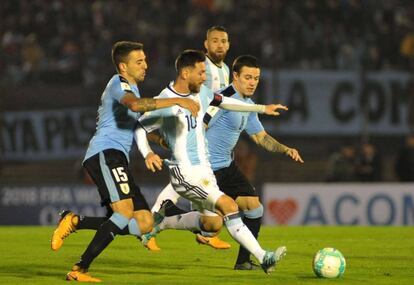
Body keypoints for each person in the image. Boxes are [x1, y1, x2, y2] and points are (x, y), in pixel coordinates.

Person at [50, 41, 200, 282]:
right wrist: (177, 100)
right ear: (123, 66)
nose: (145, 65)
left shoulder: (132, 88)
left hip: (118, 157)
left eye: (145, 60)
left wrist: (159, 143)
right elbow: (136, 106)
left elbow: (135, 124)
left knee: (144, 222)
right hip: (105, 153)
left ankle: (75, 221)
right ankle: (80, 269)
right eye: (138, 61)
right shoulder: (118, 83)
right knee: (123, 214)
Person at [142, 55, 304, 271]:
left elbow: (260, 137)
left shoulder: (245, 104)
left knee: (253, 208)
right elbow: (200, 124)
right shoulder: (222, 99)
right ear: (235, 76)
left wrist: (286, 149)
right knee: (213, 224)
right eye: (248, 77)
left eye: (256, 78)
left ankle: (244, 262)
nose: (252, 82)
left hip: (226, 167)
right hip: (204, 168)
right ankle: (159, 219)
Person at [150, 25, 232, 250]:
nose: (220, 45)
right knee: (189, 179)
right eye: (214, 41)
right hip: (197, 130)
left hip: (209, 131)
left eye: (224, 41)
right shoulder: (200, 66)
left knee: (197, 181)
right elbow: (205, 98)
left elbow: (219, 101)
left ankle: (205, 229)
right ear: (206, 45)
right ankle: (153, 219)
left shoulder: (224, 70)